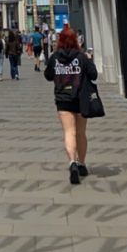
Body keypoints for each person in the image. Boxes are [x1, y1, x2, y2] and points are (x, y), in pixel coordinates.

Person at [44, 25, 98, 185]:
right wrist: (89, 60)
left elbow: (48, 76)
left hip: (63, 99)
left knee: (69, 132)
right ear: (76, 41)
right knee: (81, 133)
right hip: (81, 99)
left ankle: (72, 163)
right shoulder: (81, 57)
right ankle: (81, 163)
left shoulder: (55, 57)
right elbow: (93, 75)